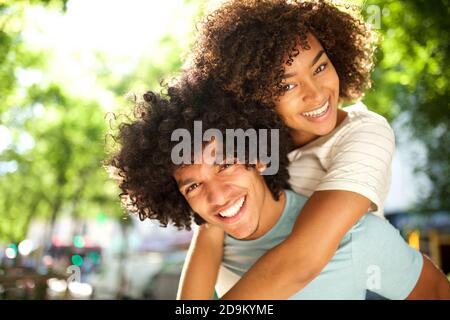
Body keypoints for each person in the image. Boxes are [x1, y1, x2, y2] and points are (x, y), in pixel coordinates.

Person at [105, 77, 450, 299]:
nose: (218, 195)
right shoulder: (212, 238)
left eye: (224, 164)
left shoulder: (353, 234)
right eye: (193, 185)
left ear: (257, 157)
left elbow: (436, 292)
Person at [181, 0, 409, 299]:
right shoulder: (246, 150)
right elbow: (208, 230)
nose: (315, 94)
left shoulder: (364, 133)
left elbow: (302, 261)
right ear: (253, 95)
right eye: (286, 86)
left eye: (320, 67)